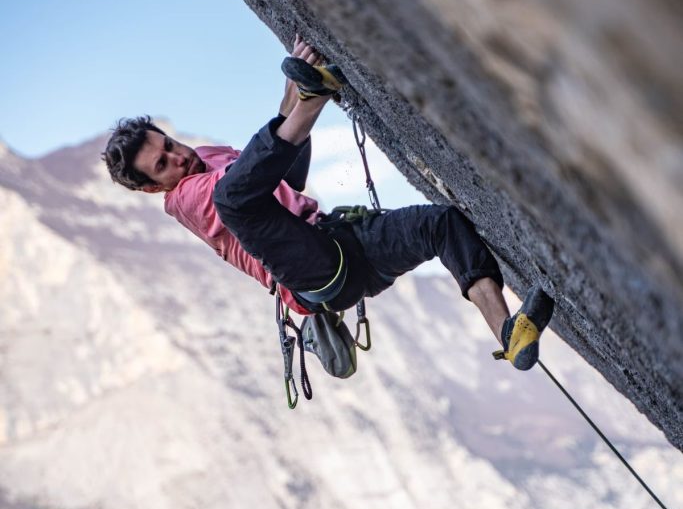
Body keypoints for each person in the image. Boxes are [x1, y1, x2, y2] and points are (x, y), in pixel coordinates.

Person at [102, 37, 553, 371]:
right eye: (163, 164)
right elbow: (246, 182)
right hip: (312, 274)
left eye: (169, 144)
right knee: (232, 194)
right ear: (151, 188)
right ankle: (318, 96)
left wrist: (291, 86)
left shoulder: (205, 159)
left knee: (441, 224)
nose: (179, 156)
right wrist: (304, 101)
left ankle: (509, 334)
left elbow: (281, 170)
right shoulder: (186, 200)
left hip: (346, 251)